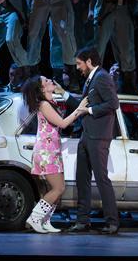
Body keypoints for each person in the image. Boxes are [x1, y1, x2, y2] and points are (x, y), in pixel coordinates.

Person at [58, 47, 121, 234]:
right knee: (82, 179)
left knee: (101, 179)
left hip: (99, 136)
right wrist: (63, 93)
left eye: (79, 63)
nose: (77, 67)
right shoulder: (92, 79)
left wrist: (90, 110)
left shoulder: (102, 77)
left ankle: (112, 222)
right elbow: (81, 105)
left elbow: (113, 103)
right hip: (87, 135)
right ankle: (82, 221)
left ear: (89, 61)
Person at [22, 75, 88, 233]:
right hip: (46, 152)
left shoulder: (50, 102)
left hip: (52, 150)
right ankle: (35, 218)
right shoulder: (44, 104)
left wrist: (61, 92)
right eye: (46, 81)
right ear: (41, 88)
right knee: (58, 189)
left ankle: (45, 220)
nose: (50, 81)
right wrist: (80, 109)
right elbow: (63, 123)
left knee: (59, 188)